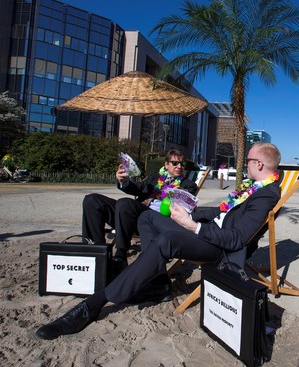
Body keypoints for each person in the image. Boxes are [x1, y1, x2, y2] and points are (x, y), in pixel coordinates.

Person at [35, 142, 282, 340]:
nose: (245, 163)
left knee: (165, 241)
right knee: (148, 219)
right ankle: (157, 282)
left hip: (217, 248)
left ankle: (94, 303)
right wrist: (193, 215)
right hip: (206, 229)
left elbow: (237, 238)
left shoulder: (266, 194)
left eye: (248, 160)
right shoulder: (253, 187)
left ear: (258, 163)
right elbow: (221, 212)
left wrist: (191, 225)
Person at [81, 149, 199, 275]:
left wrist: (179, 194)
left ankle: (120, 254)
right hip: (129, 214)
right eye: (175, 163)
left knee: (124, 203)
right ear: (166, 164)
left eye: (183, 164)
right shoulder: (155, 178)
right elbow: (137, 188)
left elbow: (189, 206)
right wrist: (123, 181)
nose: (179, 166)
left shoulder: (189, 185)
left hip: (154, 221)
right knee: (92, 200)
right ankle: (94, 252)